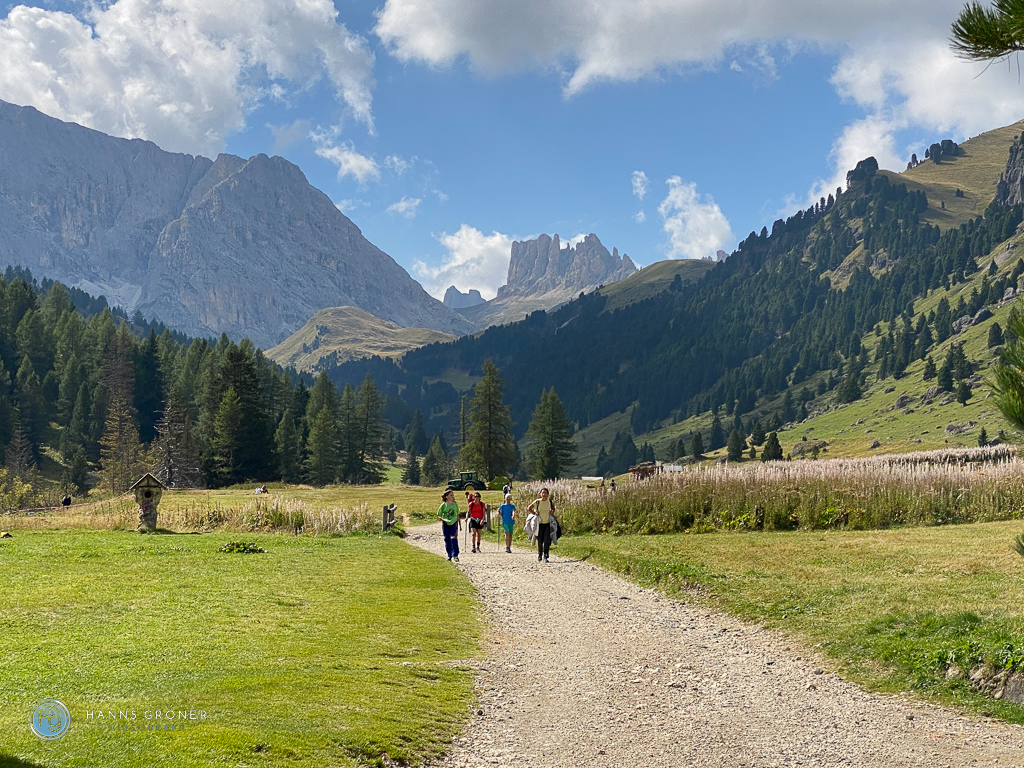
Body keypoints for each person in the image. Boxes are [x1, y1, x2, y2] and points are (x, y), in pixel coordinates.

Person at [527, 487, 555, 563]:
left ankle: (545, 555)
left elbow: (553, 508)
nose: (544, 494)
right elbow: (529, 508)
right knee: (540, 540)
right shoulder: (537, 502)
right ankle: (540, 554)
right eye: (542, 493)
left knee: (547, 540)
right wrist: (534, 513)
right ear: (540, 494)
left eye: (545, 493)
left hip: (547, 523)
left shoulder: (550, 502)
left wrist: (552, 512)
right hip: (539, 524)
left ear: (548, 494)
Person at [437, 490, 460, 562]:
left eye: (453, 495)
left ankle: (455, 555)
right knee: (447, 539)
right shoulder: (443, 505)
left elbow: (457, 514)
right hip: (446, 523)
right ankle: (449, 555)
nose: (452, 496)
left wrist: (459, 524)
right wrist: (443, 519)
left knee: (453, 537)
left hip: (453, 523)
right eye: (451, 495)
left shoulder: (455, 504)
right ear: (447, 497)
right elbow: (439, 514)